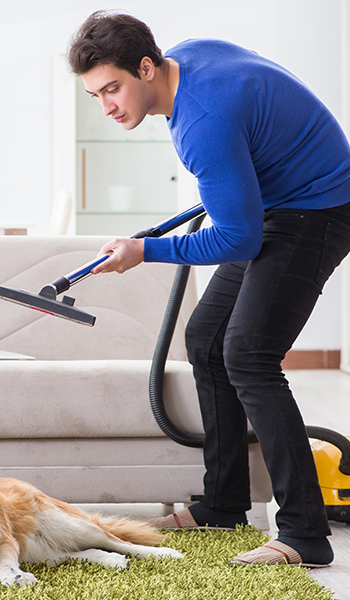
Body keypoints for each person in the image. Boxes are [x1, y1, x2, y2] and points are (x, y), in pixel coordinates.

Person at [67, 10, 350, 567]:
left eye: (113, 89)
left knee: (248, 353)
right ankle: (222, 504)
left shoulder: (202, 126)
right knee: (206, 338)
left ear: (146, 67)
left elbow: (239, 240)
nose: (107, 107)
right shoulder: (189, 58)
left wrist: (144, 251)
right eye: (95, 95)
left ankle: (303, 534)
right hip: (280, 199)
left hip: (320, 207)